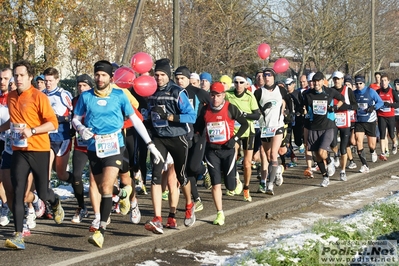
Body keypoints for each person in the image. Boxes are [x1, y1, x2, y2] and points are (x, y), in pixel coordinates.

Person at [72, 60, 163, 248]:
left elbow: (136, 121)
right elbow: (75, 118)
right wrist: (80, 128)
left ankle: (101, 231)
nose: (99, 78)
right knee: (100, 186)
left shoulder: (120, 96)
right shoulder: (86, 97)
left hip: (115, 145)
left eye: (103, 75)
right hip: (93, 146)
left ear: (111, 77)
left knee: (105, 187)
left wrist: (150, 144)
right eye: (97, 75)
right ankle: (123, 192)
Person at [2, 60, 64, 250]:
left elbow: (52, 123)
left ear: (30, 77)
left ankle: (54, 201)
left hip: (39, 149)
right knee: (18, 192)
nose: (18, 78)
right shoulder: (11, 97)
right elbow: (14, 120)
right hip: (19, 150)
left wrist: (33, 131)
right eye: (16, 75)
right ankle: (19, 235)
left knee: (43, 192)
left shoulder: (39, 97)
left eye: (22, 75)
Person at [144, 58, 197, 234]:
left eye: (162, 75)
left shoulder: (178, 92)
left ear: (168, 76)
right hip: (158, 138)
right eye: (156, 75)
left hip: (177, 137)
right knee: (156, 176)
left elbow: (192, 116)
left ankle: (189, 204)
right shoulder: (150, 92)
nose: (158, 78)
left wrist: (171, 117)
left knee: (181, 176)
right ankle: (157, 218)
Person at [194, 82, 249, 225]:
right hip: (212, 151)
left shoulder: (230, 107)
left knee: (231, 187)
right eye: (212, 95)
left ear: (223, 95)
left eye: (218, 95)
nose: (215, 99)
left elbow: (244, 124)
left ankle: (234, 180)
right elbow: (198, 128)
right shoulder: (205, 111)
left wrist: (235, 139)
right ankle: (220, 213)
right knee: (215, 184)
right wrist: (196, 137)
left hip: (228, 150)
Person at [174, 66, 211, 215]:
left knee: (194, 167)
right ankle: (196, 199)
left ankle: (204, 169)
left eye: (182, 78)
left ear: (189, 79)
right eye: (177, 78)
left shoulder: (198, 93)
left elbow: (214, 106)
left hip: (198, 134)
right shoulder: (173, 92)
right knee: (186, 169)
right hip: (182, 135)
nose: (179, 81)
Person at [301, 71, 346, 187]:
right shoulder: (307, 94)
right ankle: (325, 177)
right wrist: (302, 111)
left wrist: (335, 107)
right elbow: (303, 107)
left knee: (322, 151)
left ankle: (330, 161)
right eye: (313, 81)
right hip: (313, 127)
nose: (315, 83)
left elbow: (342, 99)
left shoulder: (329, 91)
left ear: (322, 81)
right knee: (317, 155)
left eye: (318, 81)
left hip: (328, 126)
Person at [225, 72, 260, 201]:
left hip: (248, 131)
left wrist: (243, 115)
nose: (238, 85)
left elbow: (257, 115)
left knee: (246, 163)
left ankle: (246, 187)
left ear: (246, 84)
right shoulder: (228, 95)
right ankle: (235, 181)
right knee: (232, 158)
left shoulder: (250, 96)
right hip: (233, 132)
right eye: (236, 82)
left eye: (241, 82)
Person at [254, 68, 289, 195]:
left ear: (274, 77)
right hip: (265, 127)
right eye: (264, 75)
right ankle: (277, 168)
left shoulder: (281, 90)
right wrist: (261, 109)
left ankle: (270, 185)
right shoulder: (259, 93)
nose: (266, 77)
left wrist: (288, 114)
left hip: (278, 126)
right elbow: (255, 109)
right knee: (268, 156)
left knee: (274, 154)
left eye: (269, 75)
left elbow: (289, 102)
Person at [43, 67, 74, 185]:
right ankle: (45, 197)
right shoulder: (41, 95)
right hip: (46, 136)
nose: (48, 83)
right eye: (46, 81)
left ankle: (76, 183)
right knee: (45, 168)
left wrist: (61, 119)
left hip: (62, 137)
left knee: (61, 174)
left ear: (57, 80)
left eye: (50, 80)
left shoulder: (63, 94)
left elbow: (76, 113)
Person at [69, 74, 93, 224]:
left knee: (98, 180)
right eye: (79, 85)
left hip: (97, 145)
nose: (81, 88)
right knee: (76, 176)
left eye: (84, 85)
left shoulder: (95, 99)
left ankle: (116, 196)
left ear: (90, 87)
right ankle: (81, 206)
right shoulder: (74, 101)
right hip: (80, 145)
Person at [329, 71, 357, 181]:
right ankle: (336, 155)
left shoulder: (348, 90)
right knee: (333, 142)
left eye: (339, 79)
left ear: (342, 80)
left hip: (345, 121)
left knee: (344, 147)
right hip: (333, 120)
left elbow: (355, 105)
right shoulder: (330, 90)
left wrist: (345, 106)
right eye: (335, 79)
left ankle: (343, 171)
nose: (337, 81)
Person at [353, 75, 384, 173]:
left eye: (360, 84)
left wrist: (373, 107)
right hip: (359, 121)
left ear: (364, 83)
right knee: (358, 141)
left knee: (372, 145)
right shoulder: (354, 93)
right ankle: (364, 165)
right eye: (357, 84)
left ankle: (372, 151)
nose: (358, 86)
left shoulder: (370, 91)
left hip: (370, 121)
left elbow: (380, 102)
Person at [376, 73, 399, 159]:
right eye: (382, 81)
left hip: (390, 116)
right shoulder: (378, 92)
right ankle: (382, 153)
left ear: (388, 81)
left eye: (385, 80)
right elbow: (374, 102)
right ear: (380, 83)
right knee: (382, 134)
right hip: (381, 115)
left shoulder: (392, 92)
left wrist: (390, 105)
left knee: (391, 134)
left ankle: (394, 143)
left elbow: (398, 104)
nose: (384, 82)